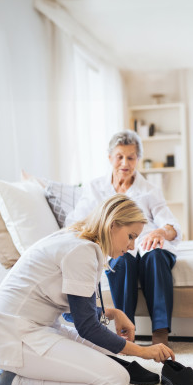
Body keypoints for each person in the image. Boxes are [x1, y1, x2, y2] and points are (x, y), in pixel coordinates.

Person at [0, 194, 175, 385]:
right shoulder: (82, 251)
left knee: (111, 348)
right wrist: (143, 351)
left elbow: (73, 313)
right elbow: (86, 326)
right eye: (131, 236)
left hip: (36, 329)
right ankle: (15, 382)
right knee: (115, 382)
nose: (133, 246)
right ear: (113, 225)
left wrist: (113, 314)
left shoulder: (80, 241)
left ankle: (23, 370)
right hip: (12, 337)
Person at [65, 130, 181, 346]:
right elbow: (76, 221)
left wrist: (161, 232)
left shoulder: (149, 189)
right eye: (119, 157)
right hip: (116, 246)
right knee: (122, 261)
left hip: (147, 244)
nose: (124, 163)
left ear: (138, 159)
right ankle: (126, 332)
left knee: (155, 257)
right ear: (110, 158)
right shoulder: (95, 188)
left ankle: (160, 334)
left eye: (131, 157)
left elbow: (172, 225)